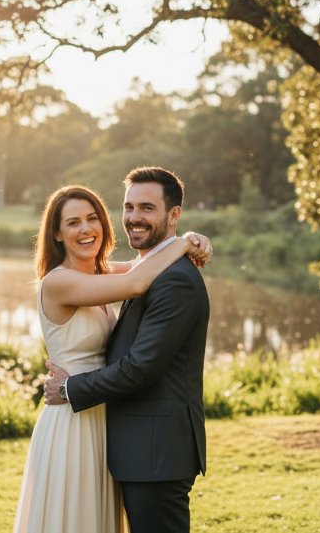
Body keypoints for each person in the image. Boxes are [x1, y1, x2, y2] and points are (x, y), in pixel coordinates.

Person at [12, 183, 211, 533]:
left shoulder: (99, 274)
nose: (86, 228)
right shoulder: (59, 282)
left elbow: (144, 264)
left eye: (92, 218)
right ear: (56, 233)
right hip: (71, 415)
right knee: (73, 518)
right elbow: (137, 282)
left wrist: (189, 236)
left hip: (101, 416)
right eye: (72, 223)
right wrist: (181, 243)